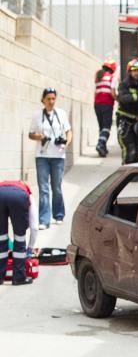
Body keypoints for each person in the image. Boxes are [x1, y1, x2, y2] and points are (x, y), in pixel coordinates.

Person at [28, 87, 72, 229]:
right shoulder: (37, 115)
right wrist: (38, 136)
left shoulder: (61, 114)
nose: (51, 101)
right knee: (44, 188)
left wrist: (67, 143)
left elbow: (68, 131)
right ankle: (43, 220)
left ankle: (58, 214)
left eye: (53, 98)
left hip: (58, 156)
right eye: (49, 99)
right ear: (43, 100)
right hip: (42, 155)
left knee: (56, 187)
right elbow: (30, 134)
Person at [0, 180, 37, 285]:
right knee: (19, 238)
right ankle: (19, 278)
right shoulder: (28, 195)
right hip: (18, 198)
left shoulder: (3, 186)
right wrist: (30, 248)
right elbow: (34, 227)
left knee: (1, 238)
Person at [94, 58, 116, 157]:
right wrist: (118, 99)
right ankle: (101, 144)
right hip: (107, 104)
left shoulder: (98, 76)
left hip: (97, 105)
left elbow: (95, 92)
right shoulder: (111, 77)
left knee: (102, 127)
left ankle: (103, 147)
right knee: (106, 127)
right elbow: (112, 92)